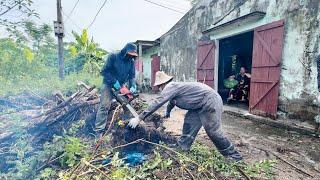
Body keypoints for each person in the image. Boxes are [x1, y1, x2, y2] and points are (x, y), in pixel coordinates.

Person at [128, 71, 243, 161]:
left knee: (213, 131)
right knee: (189, 122)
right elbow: (171, 103)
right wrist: (167, 113)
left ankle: (234, 156)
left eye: (159, 86)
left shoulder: (170, 86)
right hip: (198, 105)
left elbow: (158, 102)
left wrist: (139, 118)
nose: (159, 88)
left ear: (163, 83)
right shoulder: (174, 89)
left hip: (210, 101)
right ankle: (183, 146)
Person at [95, 43, 138, 132]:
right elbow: (104, 71)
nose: (130, 57)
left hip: (121, 86)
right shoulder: (113, 56)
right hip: (108, 84)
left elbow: (131, 76)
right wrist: (114, 81)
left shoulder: (131, 61)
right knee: (104, 106)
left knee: (127, 104)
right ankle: (99, 130)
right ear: (125, 52)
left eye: (132, 56)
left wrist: (133, 85)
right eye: (129, 55)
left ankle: (126, 127)